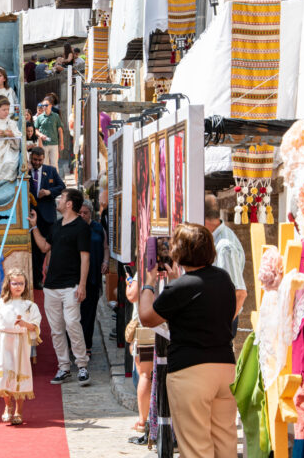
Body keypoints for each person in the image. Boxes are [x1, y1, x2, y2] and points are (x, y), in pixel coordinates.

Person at [138, 223, 238, 458]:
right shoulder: (223, 278)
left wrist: (148, 283)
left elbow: (147, 317)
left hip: (191, 370)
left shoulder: (180, 287)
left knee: (195, 447)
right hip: (224, 366)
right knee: (225, 442)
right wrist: (177, 282)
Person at [27, 188, 91, 386]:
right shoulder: (56, 225)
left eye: (62, 197)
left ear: (70, 204)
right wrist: (34, 227)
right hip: (51, 286)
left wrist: (82, 285)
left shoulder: (81, 227)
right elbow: (45, 247)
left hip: (70, 285)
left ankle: (81, 365)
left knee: (72, 324)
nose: (59, 200)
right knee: (56, 329)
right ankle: (64, 367)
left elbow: (85, 257)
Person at [0, 268, 42, 425]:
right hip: (4, 342)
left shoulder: (29, 305)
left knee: (18, 374)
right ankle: (8, 406)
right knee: (4, 374)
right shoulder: (1, 303)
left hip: (19, 343)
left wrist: (26, 324)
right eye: (15, 283)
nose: (18, 286)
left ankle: (19, 410)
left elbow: (36, 325)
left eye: (21, 283)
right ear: (8, 284)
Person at [204, 194, 247, 337]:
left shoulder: (224, 246)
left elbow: (239, 293)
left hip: (221, 322)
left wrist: (223, 326)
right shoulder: (216, 239)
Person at [28, 147, 65, 289]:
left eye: (39, 160)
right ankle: (36, 279)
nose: (37, 162)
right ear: (31, 158)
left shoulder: (50, 170)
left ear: (43, 159)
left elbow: (62, 186)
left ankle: (49, 277)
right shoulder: (27, 170)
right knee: (35, 250)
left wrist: (49, 192)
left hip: (48, 216)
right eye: (34, 160)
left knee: (48, 248)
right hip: (31, 214)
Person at [77, 200, 109, 355]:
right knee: (76, 313)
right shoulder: (75, 227)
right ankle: (75, 345)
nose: (83, 215)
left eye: (86, 213)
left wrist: (105, 261)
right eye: (80, 213)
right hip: (77, 275)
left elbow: (105, 247)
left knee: (90, 312)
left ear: (91, 213)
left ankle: (87, 345)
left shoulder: (97, 227)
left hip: (94, 274)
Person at [125, 273, 154, 440]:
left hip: (147, 327)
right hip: (170, 325)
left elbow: (132, 295)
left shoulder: (146, 268)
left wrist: (129, 284)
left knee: (145, 374)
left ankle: (143, 421)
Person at [34, 95, 64, 167]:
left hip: (54, 143)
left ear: (50, 106)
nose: (44, 107)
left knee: (54, 164)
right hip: (43, 144)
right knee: (44, 164)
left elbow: (60, 130)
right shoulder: (39, 117)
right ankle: (46, 178)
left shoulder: (56, 116)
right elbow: (36, 130)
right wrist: (40, 135)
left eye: (46, 105)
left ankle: (54, 178)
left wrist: (61, 143)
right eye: (43, 105)